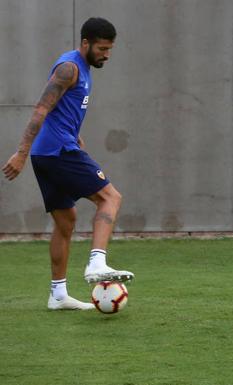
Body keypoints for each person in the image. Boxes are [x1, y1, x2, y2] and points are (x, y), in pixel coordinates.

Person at [2, 17, 134, 311]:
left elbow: (62, 112)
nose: (106, 55)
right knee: (110, 197)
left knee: (66, 220)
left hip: (50, 152)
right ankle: (96, 263)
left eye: (110, 49)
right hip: (57, 152)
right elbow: (40, 109)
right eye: (102, 48)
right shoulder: (69, 68)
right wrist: (21, 152)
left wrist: (76, 136)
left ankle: (58, 295)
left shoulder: (82, 68)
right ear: (85, 43)